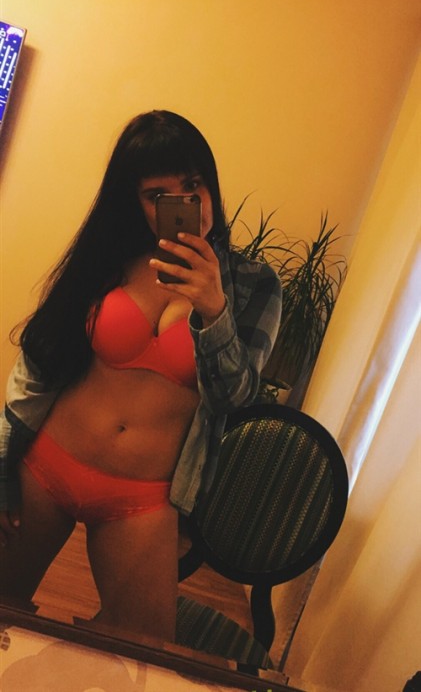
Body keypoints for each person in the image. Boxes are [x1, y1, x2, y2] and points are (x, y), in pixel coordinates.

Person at [0, 110, 282, 642]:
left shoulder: (254, 285)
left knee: (139, 651)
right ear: (135, 201)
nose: (185, 203)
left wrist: (215, 310)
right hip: (45, 467)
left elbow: (236, 399)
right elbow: (38, 359)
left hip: (142, 499)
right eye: (158, 195)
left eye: (193, 185)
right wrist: (0, 461)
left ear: (211, 183)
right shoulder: (110, 258)